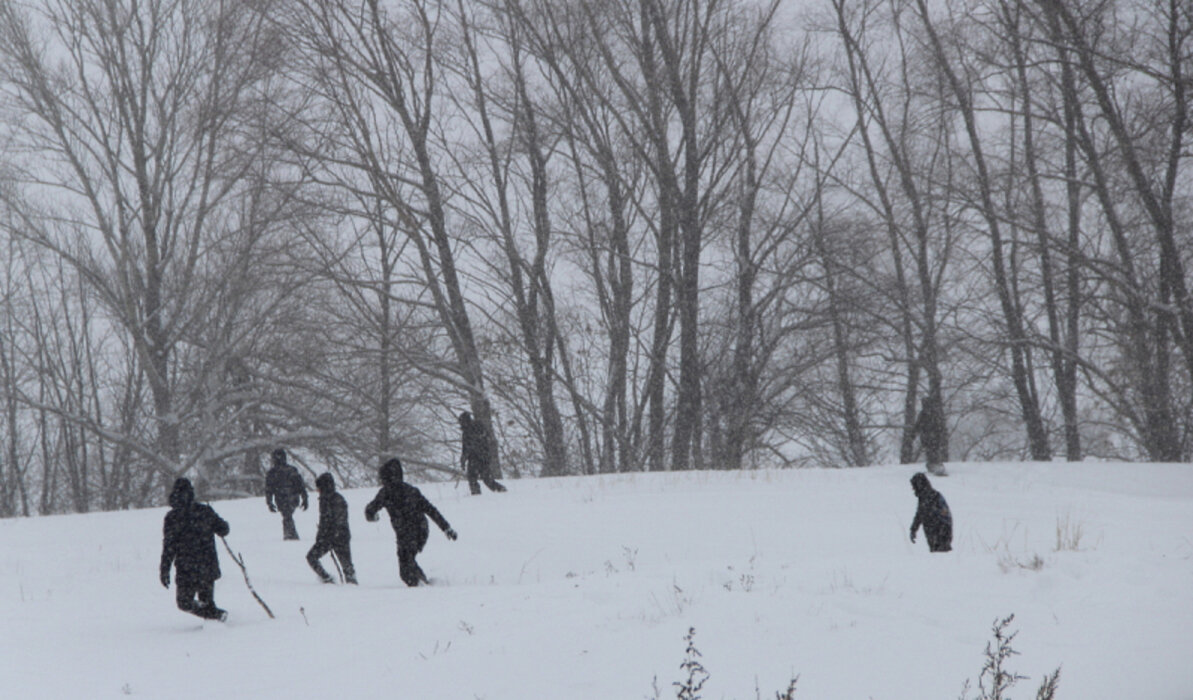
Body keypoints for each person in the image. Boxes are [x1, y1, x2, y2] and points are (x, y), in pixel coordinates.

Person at [365, 458, 458, 586]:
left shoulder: (389, 492)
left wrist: (371, 515)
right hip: (416, 530)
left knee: (405, 565)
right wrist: (446, 528)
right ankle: (423, 583)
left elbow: (370, 509)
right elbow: (431, 511)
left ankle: (420, 587)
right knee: (407, 562)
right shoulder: (406, 491)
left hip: (414, 531)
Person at [160, 477, 231, 621]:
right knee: (206, 603)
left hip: (186, 568)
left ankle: (214, 623)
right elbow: (224, 529)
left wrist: (165, 569)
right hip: (206, 565)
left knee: (184, 603)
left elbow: (169, 547)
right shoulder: (204, 511)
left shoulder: (172, 517)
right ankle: (216, 620)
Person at [307, 472, 357, 584]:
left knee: (346, 566)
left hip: (337, 537)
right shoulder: (326, 500)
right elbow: (325, 521)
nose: (317, 491)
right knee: (346, 566)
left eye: (319, 488)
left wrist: (328, 535)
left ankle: (339, 582)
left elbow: (338, 520)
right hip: (333, 537)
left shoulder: (335, 500)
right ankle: (330, 580)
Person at [458, 411, 506, 495]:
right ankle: (477, 495)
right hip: (476, 458)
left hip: (481, 458)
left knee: (484, 479)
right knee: (476, 479)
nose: (461, 424)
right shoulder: (466, 432)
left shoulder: (477, 427)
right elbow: (465, 448)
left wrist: (467, 455)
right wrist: (463, 459)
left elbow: (480, 442)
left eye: (462, 422)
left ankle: (502, 492)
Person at [265, 448, 308, 540]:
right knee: (287, 515)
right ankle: (290, 534)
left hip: (283, 498)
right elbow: (301, 486)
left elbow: (269, 490)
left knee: (287, 515)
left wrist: (269, 502)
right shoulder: (291, 470)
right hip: (291, 497)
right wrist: (304, 498)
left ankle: (289, 534)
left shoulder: (273, 473)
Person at [909, 472, 953, 552]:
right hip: (932, 533)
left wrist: (942, 531)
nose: (913, 489)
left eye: (914, 486)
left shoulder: (934, 496)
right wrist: (913, 529)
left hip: (940, 533)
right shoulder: (924, 497)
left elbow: (945, 515)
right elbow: (919, 514)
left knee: (942, 555)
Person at [911, 392, 948, 476]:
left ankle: (935, 464)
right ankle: (935, 464)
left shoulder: (926, 414)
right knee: (933, 451)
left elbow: (918, 425)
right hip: (931, 437)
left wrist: (913, 434)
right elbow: (940, 425)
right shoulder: (932, 413)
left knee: (932, 451)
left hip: (930, 437)